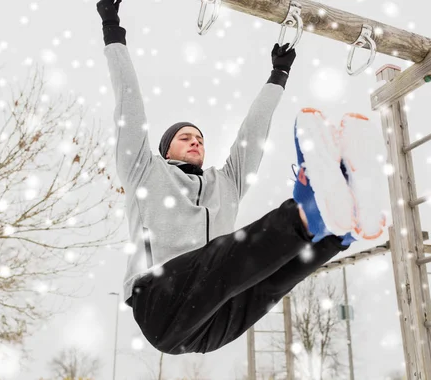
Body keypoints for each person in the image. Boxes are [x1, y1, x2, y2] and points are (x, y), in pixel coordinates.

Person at [97, 0, 382, 355]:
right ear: (165, 149)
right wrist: (113, 28)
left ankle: (338, 234)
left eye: (199, 138)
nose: (195, 142)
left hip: (211, 326)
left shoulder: (225, 183)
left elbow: (253, 134)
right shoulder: (144, 170)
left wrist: (278, 76)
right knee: (231, 258)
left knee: (269, 282)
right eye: (185, 137)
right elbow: (128, 101)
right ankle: (309, 212)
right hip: (159, 304)